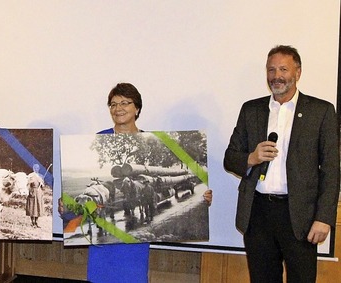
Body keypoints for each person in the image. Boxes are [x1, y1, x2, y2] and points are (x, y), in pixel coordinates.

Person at [224, 45, 339, 283]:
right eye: (271, 69)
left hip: (300, 215)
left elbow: (331, 170)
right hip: (258, 213)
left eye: (283, 69)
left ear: (297, 72)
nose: (277, 76)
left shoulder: (322, 111)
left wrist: (324, 217)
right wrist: (251, 158)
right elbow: (230, 158)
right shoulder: (251, 110)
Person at [87, 83, 213, 282]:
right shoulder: (100, 138)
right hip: (101, 250)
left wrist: (205, 195)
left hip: (134, 248)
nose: (118, 108)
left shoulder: (149, 139)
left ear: (137, 108)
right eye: (113, 104)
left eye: (125, 103)